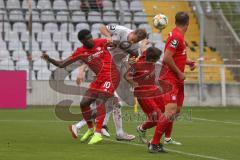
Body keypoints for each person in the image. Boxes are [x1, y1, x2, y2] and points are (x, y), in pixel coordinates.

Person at [42, 29, 120, 145]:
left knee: (100, 100)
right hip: (99, 79)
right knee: (84, 103)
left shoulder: (101, 42)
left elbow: (115, 44)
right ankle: (90, 129)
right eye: (87, 38)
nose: (91, 39)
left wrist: (114, 43)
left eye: (90, 36)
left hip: (111, 76)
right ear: (82, 41)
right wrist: (49, 59)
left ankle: (98, 133)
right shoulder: (80, 51)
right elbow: (62, 64)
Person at [71, 25, 147, 141]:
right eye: (133, 39)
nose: (132, 42)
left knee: (109, 103)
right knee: (111, 103)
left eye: (135, 41)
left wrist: (132, 63)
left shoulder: (135, 46)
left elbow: (130, 59)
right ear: (133, 32)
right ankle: (84, 126)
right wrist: (108, 36)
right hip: (103, 69)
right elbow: (102, 28)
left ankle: (99, 127)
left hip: (113, 71)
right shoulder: (121, 30)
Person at [160, 11, 196, 147]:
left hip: (178, 79)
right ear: (187, 24)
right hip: (171, 78)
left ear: (175, 22)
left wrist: (189, 62)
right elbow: (167, 57)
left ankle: (167, 138)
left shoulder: (179, 36)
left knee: (177, 111)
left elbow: (178, 57)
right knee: (170, 110)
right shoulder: (175, 37)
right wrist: (180, 73)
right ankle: (153, 140)